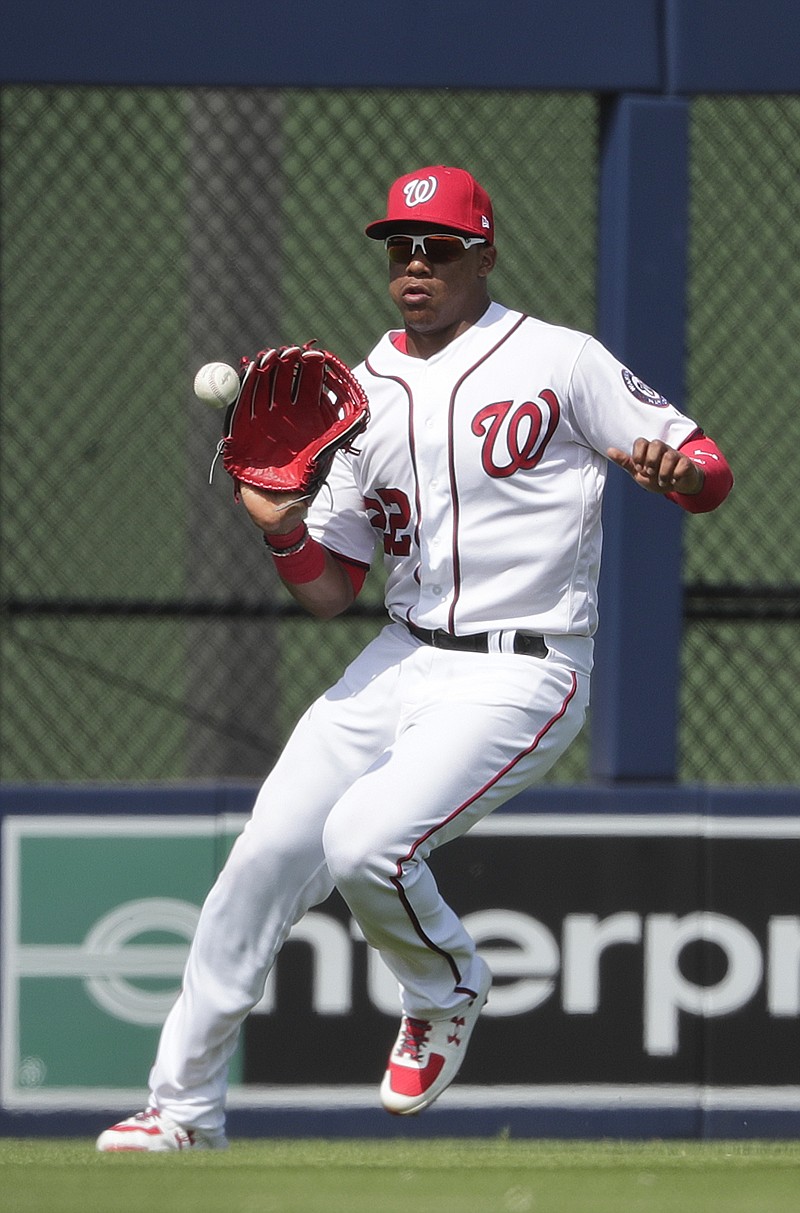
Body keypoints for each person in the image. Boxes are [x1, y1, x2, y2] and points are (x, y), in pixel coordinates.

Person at [97, 165, 733, 1151]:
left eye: (437, 245)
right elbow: (331, 587)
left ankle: (445, 985)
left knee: (364, 842)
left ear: (483, 252)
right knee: (260, 861)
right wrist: (276, 528)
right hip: (399, 656)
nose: (415, 263)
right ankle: (179, 1112)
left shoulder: (558, 362)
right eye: (400, 246)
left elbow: (705, 469)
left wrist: (676, 475)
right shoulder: (362, 391)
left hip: (522, 666)